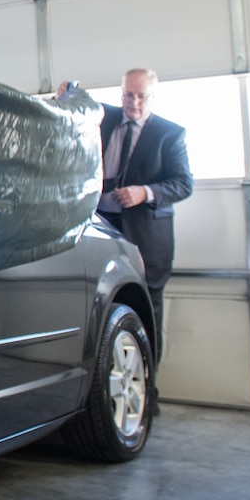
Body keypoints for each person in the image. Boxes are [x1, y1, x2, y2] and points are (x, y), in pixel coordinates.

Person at [92, 68, 192, 351]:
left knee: (147, 309)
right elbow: (75, 104)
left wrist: (145, 193)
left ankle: (149, 387)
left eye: (141, 96)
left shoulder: (169, 134)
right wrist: (64, 92)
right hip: (101, 229)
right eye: (128, 95)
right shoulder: (104, 118)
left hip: (146, 239)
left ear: (153, 96)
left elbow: (184, 184)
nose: (134, 102)